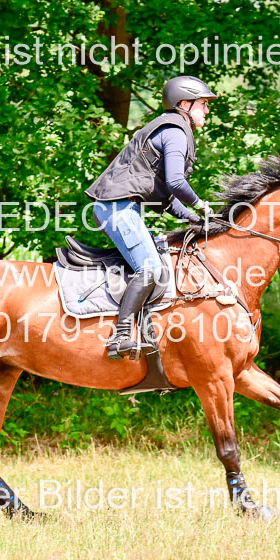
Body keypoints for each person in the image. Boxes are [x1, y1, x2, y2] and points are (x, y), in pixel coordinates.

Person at [85, 75, 218, 360]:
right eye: (203, 104)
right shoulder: (175, 131)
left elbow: (166, 199)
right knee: (149, 267)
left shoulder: (173, 129)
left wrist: (194, 219)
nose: (207, 110)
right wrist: (202, 206)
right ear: (184, 103)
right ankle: (120, 336)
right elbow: (176, 182)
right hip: (117, 208)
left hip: (124, 207)